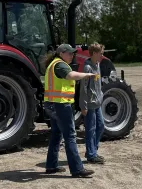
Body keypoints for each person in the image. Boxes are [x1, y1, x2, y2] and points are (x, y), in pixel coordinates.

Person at [44, 44, 96, 178]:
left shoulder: (54, 64)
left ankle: (51, 165)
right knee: (70, 136)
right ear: (61, 53)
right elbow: (70, 75)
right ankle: (77, 169)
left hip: (52, 104)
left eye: (73, 53)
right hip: (61, 104)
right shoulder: (60, 65)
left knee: (56, 134)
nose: (72, 55)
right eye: (69, 53)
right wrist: (86, 74)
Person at [79, 42, 105, 164]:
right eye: (100, 53)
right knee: (91, 129)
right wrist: (83, 106)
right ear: (94, 53)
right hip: (89, 104)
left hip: (97, 103)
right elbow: (83, 88)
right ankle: (91, 154)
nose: (102, 55)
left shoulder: (97, 64)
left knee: (100, 126)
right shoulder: (87, 68)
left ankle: (92, 150)